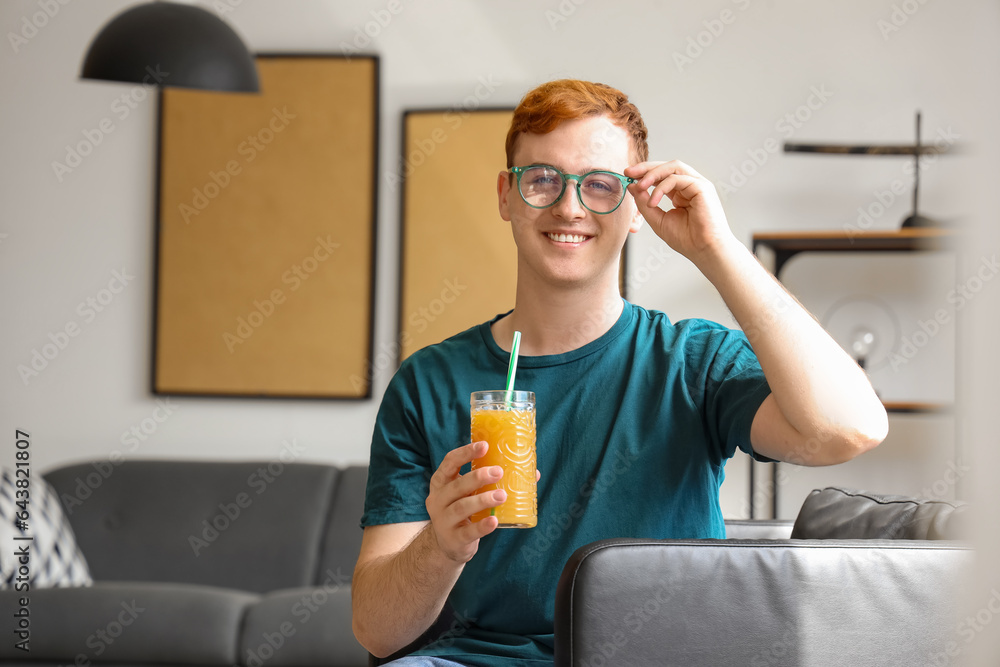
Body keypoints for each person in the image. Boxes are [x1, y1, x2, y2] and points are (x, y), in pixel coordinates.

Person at [352, 79, 888, 666]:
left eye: (601, 185)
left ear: (635, 206)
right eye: (542, 180)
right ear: (507, 195)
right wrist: (441, 545)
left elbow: (848, 429)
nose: (569, 207)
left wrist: (716, 248)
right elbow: (378, 633)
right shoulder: (427, 382)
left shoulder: (693, 362)